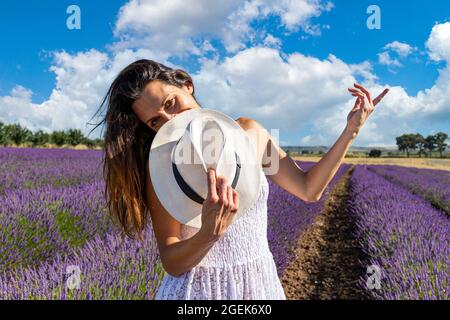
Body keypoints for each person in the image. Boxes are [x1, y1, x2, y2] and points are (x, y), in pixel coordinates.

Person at [89, 59, 389, 299]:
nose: (172, 121)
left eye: (171, 103)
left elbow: (308, 189)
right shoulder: (163, 167)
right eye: (156, 121)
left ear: (187, 85)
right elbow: (171, 260)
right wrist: (209, 233)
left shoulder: (250, 134)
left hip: (258, 284)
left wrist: (351, 130)